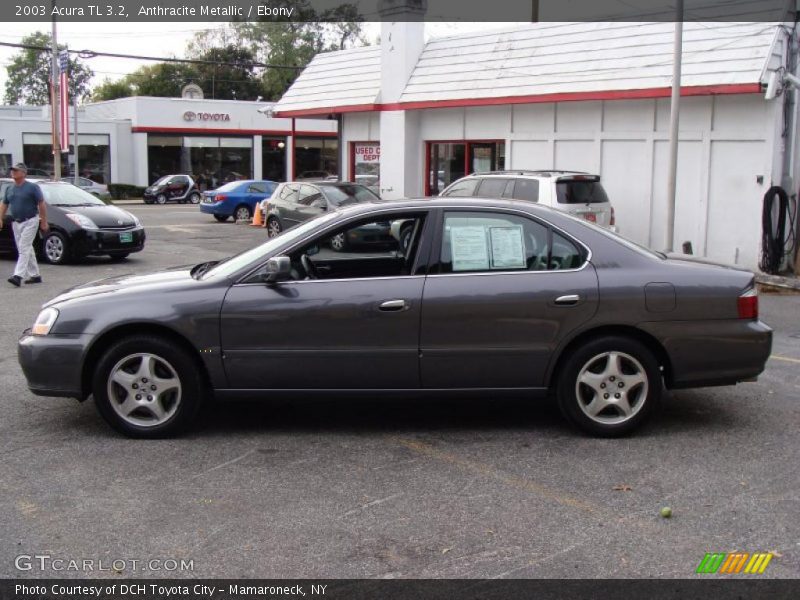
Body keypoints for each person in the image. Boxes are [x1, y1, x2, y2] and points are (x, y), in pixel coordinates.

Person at [0, 163, 48, 287]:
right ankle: (35, 275)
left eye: (16, 170)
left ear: (23, 173)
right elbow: (4, 204)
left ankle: (18, 276)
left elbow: (41, 203)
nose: (13, 172)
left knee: (23, 246)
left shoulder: (32, 187)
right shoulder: (9, 189)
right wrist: (0, 218)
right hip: (16, 222)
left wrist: (43, 221)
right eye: (12, 170)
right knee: (26, 248)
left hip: (30, 220)